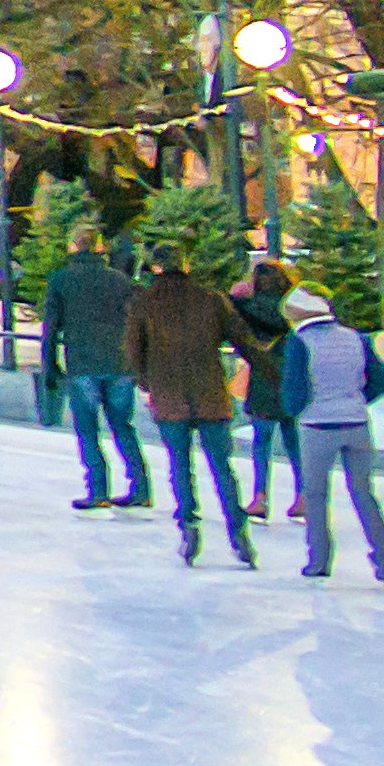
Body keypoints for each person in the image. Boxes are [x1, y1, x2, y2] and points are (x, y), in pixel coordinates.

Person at [124, 243, 252, 563]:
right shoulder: (211, 299)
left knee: (179, 464)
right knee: (222, 466)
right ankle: (238, 530)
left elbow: (132, 351)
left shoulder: (145, 302)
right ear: (185, 265)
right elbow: (243, 339)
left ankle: (189, 523)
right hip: (210, 394)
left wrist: (147, 383)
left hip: (169, 398)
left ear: (155, 267)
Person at [273, 286, 384, 585]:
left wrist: (299, 410)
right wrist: (354, 400)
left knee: (315, 495)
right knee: (363, 492)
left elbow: (293, 391)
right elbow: (380, 379)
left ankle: (319, 560)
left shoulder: (299, 342)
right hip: (356, 423)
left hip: (317, 426)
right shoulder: (356, 338)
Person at [42, 224, 146, 513]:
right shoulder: (120, 280)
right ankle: (140, 487)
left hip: (83, 362)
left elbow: (51, 326)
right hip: (120, 363)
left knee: (88, 429)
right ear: (100, 247)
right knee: (123, 427)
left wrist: (49, 365)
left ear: (73, 246)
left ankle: (98, 490)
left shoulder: (61, 279)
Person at [230, 254, 300, 520]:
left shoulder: (248, 307)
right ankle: (302, 495)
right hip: (289, 378)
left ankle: (260, 496)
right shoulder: (292, 308)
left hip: (263, 378)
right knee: (293, 442)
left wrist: (237, 297)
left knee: (261, 443)